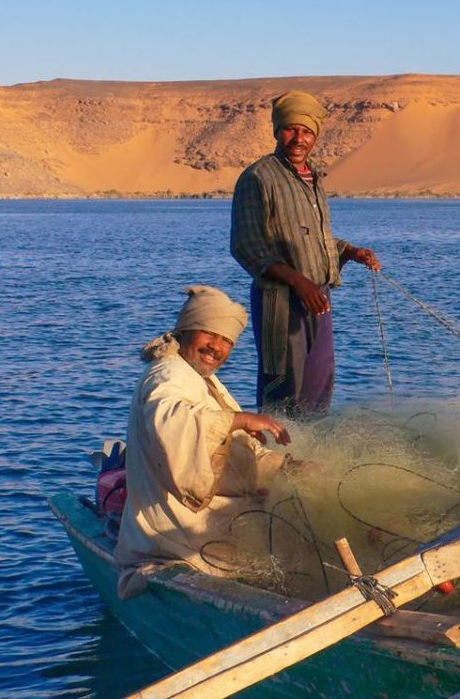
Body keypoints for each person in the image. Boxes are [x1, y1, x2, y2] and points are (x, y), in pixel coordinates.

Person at [115, 286, 292, 598]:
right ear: (186, 329)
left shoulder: (201, 379)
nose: (217, 347)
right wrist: (239, 419)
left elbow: (236, 444)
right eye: (209, 334)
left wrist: (286, 467)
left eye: (227, 340)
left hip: (207, 529)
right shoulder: (168, 374)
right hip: (176, 540)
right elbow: (173, 423)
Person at [231, 90, 381, 417]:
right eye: (291, 129)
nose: (299, 138)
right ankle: (276, 459)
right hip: (281, 302)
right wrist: (299, 283)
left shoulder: (313, 178)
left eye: (307, 131)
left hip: (318, 298)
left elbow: (316, 238)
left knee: (320, 382)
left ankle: (311, 458)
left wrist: (351, 251)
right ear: (277, 131)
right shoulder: (258, 177)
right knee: (283, 385)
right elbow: (246, 245)